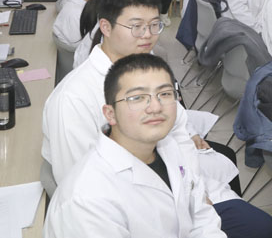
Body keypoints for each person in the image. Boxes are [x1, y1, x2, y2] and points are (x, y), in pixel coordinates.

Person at [43, 0, 272, 238]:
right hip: (131, 217)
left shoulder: (147, 70)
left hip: (177, 194)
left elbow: (179, 135)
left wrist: (196, 195)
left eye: (155, 25)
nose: (148, 36)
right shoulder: (73, 99)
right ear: (105, 27)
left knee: (249, 216)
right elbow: (81, 182)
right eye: (137, 26)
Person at [44, 54, 228, 238]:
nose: (155, 107)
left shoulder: (169, 146)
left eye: (164, 94)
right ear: (110, 114)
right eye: (137, 97)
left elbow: (199, 213)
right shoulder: (87, 201)